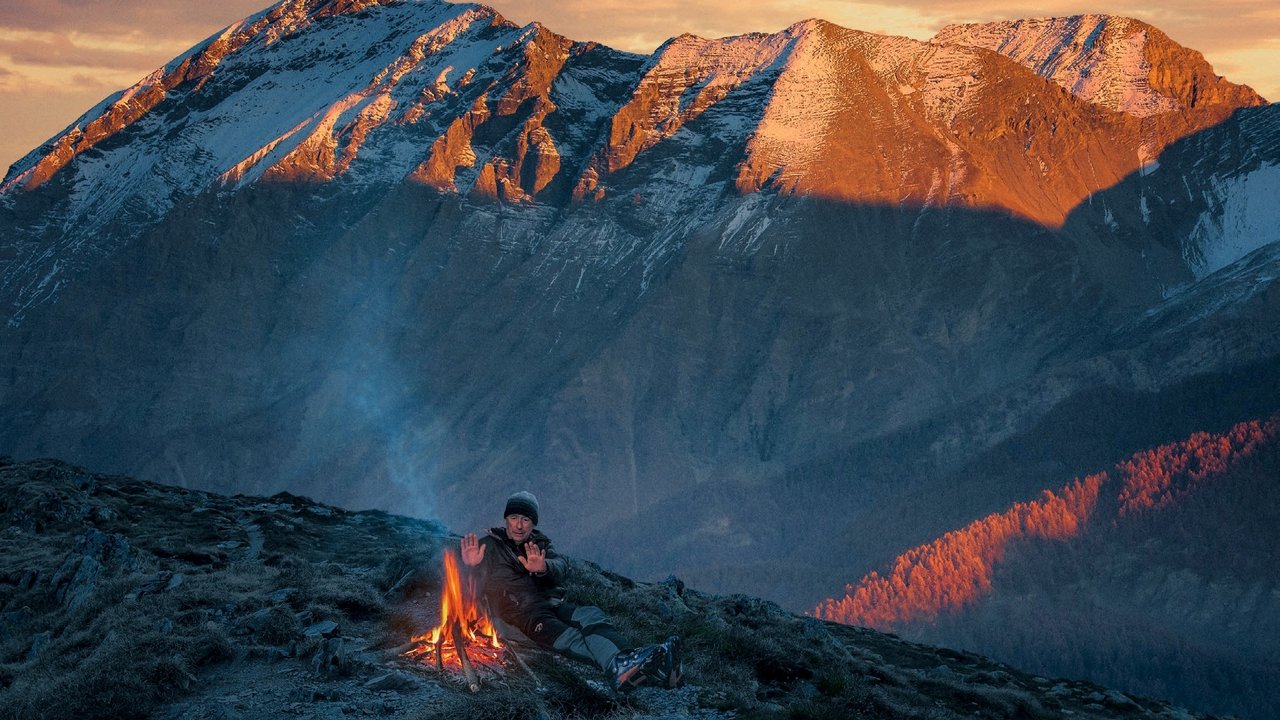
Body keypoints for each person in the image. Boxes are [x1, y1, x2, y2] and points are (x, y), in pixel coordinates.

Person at [460, 490, 681, 691]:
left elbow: (561, 566)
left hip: (551, 604)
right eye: (515, 518)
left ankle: (629, 663)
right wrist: (471, 567)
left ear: (532, 523)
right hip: (521, 617)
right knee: (570, 637)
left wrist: (543, 567)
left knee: (591, 615)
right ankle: (633, 667)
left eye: (526, 519)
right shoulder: (487, 547)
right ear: (506, 519)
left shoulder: (540, 544)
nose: (519, 525)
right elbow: (464, 589)